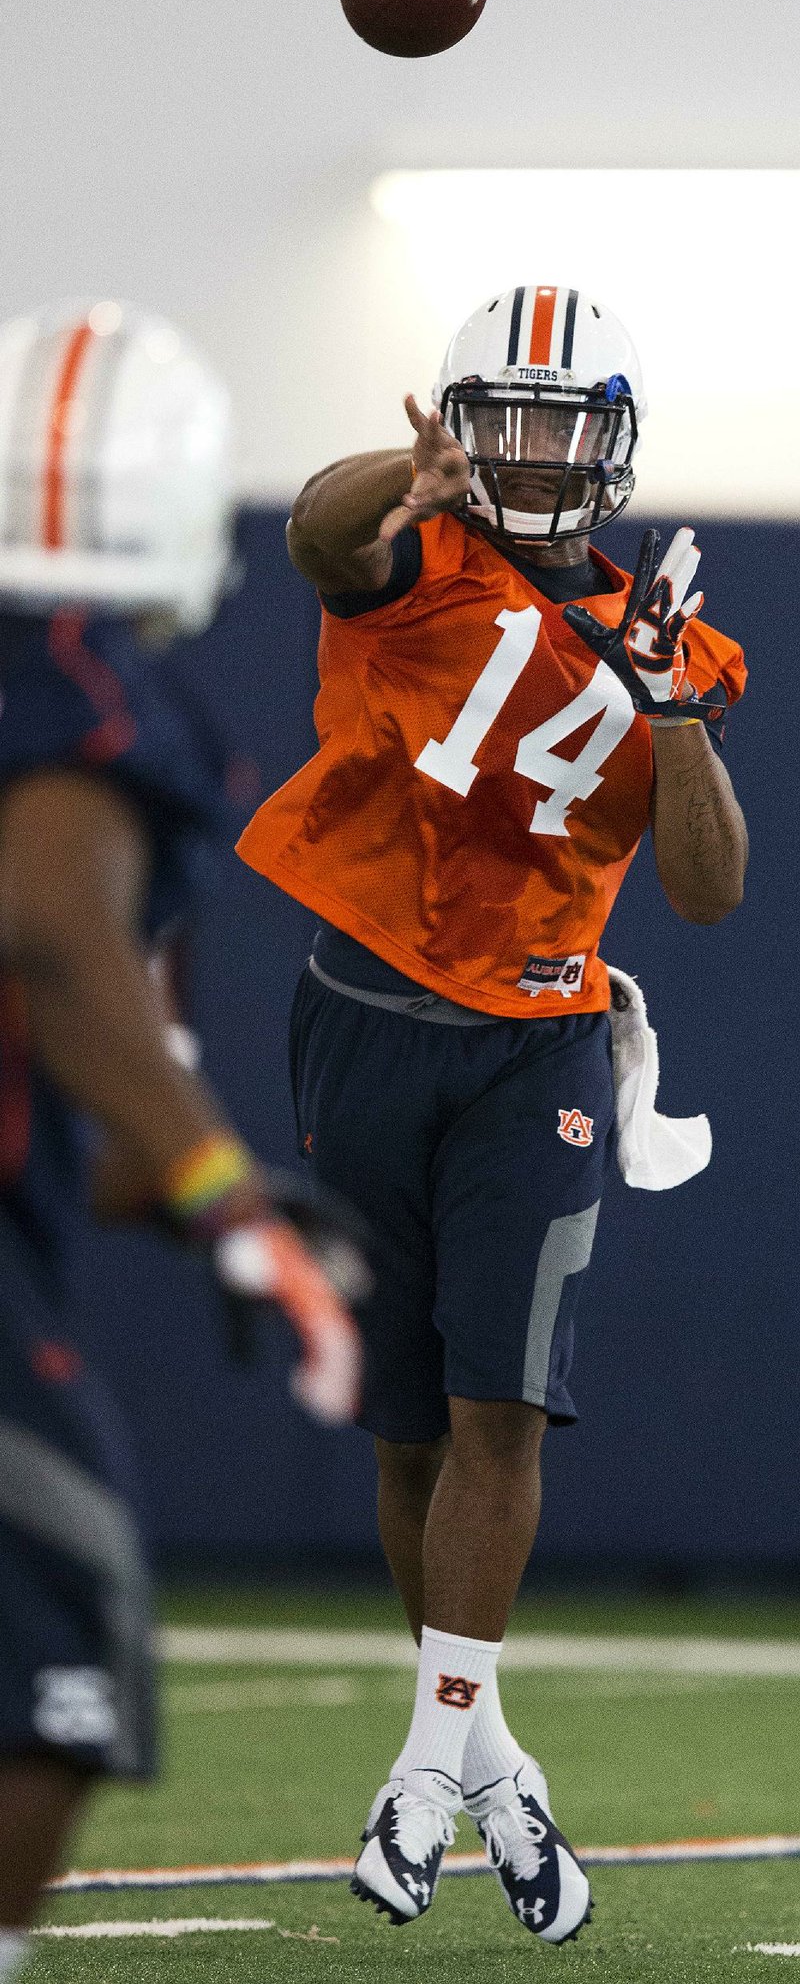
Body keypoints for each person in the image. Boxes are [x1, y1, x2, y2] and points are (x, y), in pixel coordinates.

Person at [237, 282, 748, 1944]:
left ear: (609, 450)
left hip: (539, 1046)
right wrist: (391, 487)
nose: (529, 456)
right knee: (408, 1433)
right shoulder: (417, 558)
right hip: (366, 1021)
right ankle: (489, 1754)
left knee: (499, 1410)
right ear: (464, 426)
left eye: (560, 426)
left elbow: (710, 888)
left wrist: (668, 709)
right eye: (500, 421)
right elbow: (321, 540)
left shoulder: (670, 641)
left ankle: (419, 1768)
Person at [0, 302, 364, 1979]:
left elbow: (95, 1095)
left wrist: (229, 1192)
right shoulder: (81, 688)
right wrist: (231, 1204)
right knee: (57, 1675)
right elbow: (52, 935)